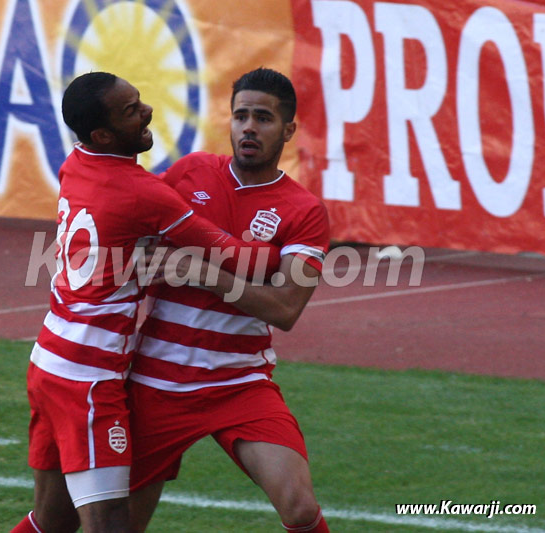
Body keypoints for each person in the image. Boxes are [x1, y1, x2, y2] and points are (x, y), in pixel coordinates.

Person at [10, 72, 282, 533]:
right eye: (131, 110)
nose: (147, 111)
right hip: (88, 378)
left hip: (49, 360)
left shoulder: (77, 162)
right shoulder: (142, 193)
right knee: (111, 523)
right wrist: (290, 248)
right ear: (103, 134)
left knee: (51, 522)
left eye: (139, 101)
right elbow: (236, 257)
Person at [127, 68, 332, 532]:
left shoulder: (304, 211)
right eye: (241, 116)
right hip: (155, 383)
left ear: (289, 130)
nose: (249, 128)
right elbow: (132, 223)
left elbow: (285, 309)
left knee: (300, 508)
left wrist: (204, 272)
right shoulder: (190, 172)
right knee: (120, 526)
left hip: (238, 383)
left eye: (263, 118)